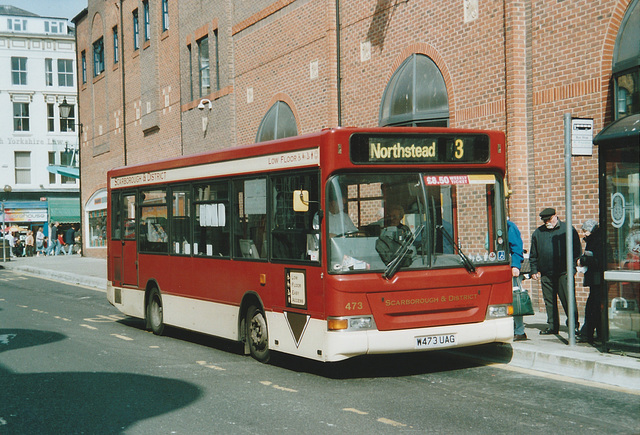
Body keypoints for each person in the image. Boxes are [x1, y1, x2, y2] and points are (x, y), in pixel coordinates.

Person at [530, 207, 581, 335]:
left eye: (549, 219)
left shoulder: (567, 229)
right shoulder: (538, 233)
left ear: (555, 216)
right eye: (544, 220)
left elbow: (576, 251)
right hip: (546, 273)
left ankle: (573, 325)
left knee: (568, 300)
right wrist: (534, 270)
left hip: (564, 272)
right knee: (549, 301)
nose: (546, 222)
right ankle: (553, 326)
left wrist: (573, 267)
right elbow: (533, 254)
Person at [577, 219, 604, 343]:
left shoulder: (596, 241)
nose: (584, 234)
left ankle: (587, 333)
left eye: (586, 231)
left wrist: (583, 261)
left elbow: (598, 260)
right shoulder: (594, 240)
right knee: (595, 307)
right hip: (595, 279)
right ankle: (598, 333)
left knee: (592, 307)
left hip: (597, 279)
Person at [508, 219, 526, 341]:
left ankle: (520, 331)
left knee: (516, 298)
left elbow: (517, 247)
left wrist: (515, 266)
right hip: (501, 267)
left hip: (511, 268)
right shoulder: (494, 225)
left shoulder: (510, 227)